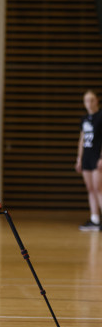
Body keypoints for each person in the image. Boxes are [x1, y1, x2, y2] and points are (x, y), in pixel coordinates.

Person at [76, 89, 102, 231]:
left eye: (92, 100)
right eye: (86, 100)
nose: (89, 103)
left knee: (99, 189)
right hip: (87, 156)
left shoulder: (100, 116)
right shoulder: (84, 119)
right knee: (90, 189)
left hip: (97, 156)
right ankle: (95, 219)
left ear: (96, 101)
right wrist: (79, 158)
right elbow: (81, 139)